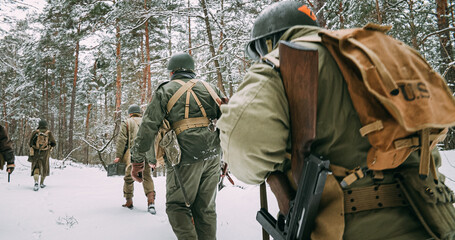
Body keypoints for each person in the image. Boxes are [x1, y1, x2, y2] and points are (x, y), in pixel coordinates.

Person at [217, 1, 455, 240]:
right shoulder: (379, 53)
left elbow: (243, 143)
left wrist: (273, 170)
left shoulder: (277, 63)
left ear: (268, 43)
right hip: (434, 218)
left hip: (350, 228)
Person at [130, 52, 224, 240]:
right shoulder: (211, 88)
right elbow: (228, 121)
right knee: (205, 210)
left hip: (185, 157)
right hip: (213, 155)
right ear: (192, 70)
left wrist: (137, 162)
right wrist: (226, 158)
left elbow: (148, 127)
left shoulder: (166, 90)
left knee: (177, 207)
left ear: (171, 72)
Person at [114, 104, 156, 214]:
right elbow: (152, 140)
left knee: (128, 178)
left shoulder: (127, 122)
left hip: (131, 154)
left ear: (130, 113)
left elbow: (121, 139)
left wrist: (118, 155)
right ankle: (151, 203)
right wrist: (153, 158)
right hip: (146, 152)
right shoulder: (146, 122)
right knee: (147, 176)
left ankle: (129, 202)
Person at [29, 119, 56, 191]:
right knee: (44, 167)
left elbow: (30, 143)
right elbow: (54, 143)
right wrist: (49, 146)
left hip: (36, 152)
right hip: (45, 153)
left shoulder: (35, 132)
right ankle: (42, 183)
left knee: (36, 167)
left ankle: (36, 182)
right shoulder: (48, 133)